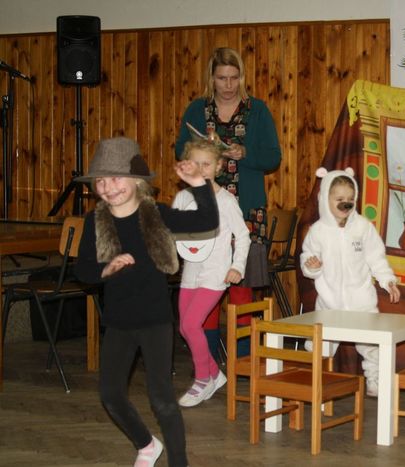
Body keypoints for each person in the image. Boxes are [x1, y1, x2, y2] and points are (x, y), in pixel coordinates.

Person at [74, 137, 219, 467]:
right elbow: (82, 270)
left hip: (155, 320)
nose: (108, 188)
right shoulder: (94, 222)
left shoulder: (156, 214)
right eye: (101, 181)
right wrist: (106, 269)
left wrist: (199, 184)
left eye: (116, 178)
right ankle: (146, 444)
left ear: (136, 181)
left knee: (162, 400)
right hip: (118, 322)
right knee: (110, 395)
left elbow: (207, 221)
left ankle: (179, 462)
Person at [175, 47, 281, 360]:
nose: (229, 85)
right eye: (222, 78)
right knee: (206, 282)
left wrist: (245, 153)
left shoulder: (257, 110)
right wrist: (203, 150)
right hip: (206, 208)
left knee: (241, 284)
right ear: (212, 78)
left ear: (241, 77)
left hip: (246, 208)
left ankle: (244, 360)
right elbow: (180, 151)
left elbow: (273, 157)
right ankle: (206, 357)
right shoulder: (197, 109)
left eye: (234, 78)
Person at [299, 167, 401, 397]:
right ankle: (316, 383)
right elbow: (307, 258)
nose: (345, 204)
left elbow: (376, 257)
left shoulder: (363, 227)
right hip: (329, 304)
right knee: (319, 346)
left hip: (361, 302)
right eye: (339, 199)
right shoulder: (318, 231)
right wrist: (312, 266)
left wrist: (387, 280)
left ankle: (376, 380)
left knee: (372, 346)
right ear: (325, 199)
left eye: (350, 199)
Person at [172, 140, 251, 407]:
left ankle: (203, 380)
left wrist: (237, 266)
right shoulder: (183, 198)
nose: (200, 169)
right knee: (184, 327)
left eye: (206, 164)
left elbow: (243, 236)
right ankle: (216, 374)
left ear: (218, 167)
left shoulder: (225, 201)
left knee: (191, 324)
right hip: (190, 273)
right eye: (195, 164)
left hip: (216, 273)